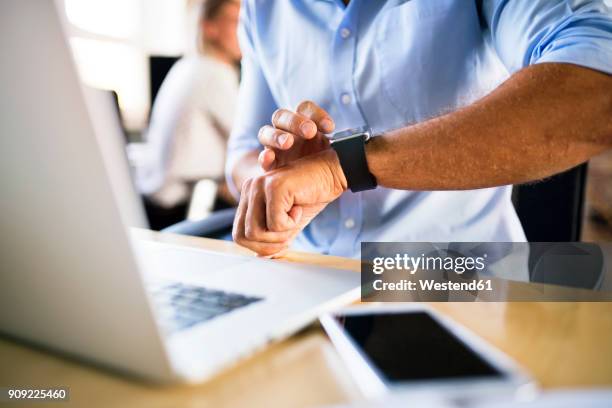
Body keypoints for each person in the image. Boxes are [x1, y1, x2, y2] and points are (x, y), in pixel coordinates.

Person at [227, 0, 612, 258]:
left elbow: (597, 92)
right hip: (307, 272)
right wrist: (274, 179)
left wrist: (342, 166)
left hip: (452, 276)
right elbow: (241, 156)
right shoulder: (263, 8)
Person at [130, 0, 241, 228]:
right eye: (235, 21)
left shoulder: (187, 66)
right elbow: (248, 138)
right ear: (209, 27)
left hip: (155, 199)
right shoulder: (214, 73)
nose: (244, 30)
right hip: (184, 205)